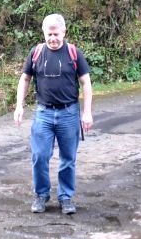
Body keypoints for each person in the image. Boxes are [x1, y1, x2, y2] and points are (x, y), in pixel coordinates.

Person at [14, 14, 94, 214]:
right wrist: (19, 106)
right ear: (44, 33)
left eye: (56, 34)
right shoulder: (36, 52)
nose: (53, 38)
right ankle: (41, 195)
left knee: (68, 158)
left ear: (64, 32)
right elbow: (25, 79)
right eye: (49, 34)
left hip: (69, 113)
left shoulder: (74, 53)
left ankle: (65, 197)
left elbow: (86, 82)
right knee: (40, 156)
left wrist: (87, 112)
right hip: (44, 113)